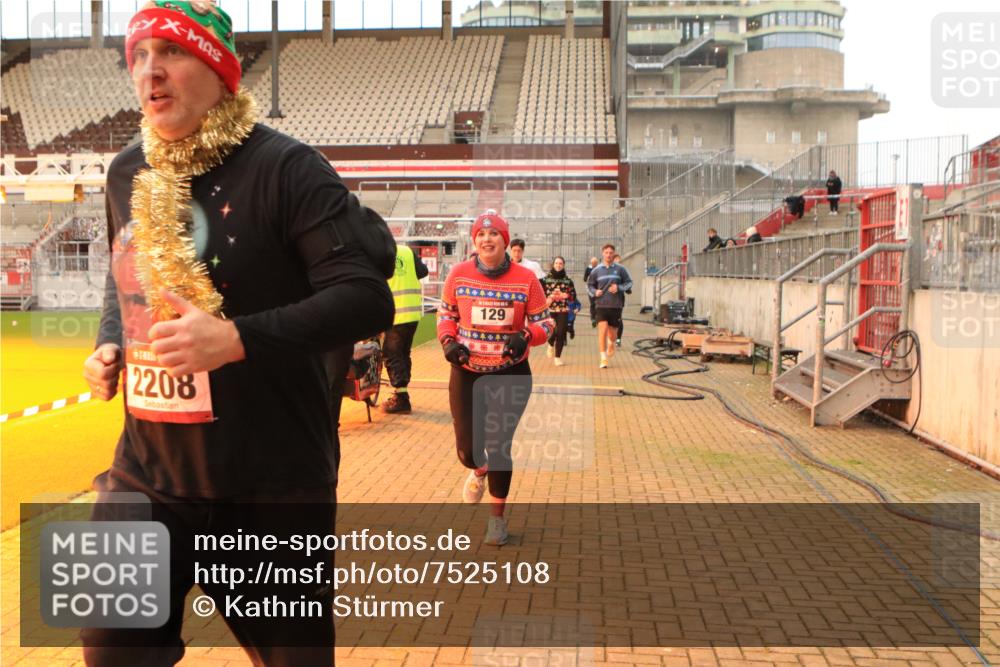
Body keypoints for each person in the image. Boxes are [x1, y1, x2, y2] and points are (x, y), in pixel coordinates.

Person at [80, 2, 394, 664]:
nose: (149, 71)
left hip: (271, 482)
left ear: (221, 71)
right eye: (138, 55)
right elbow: (125, 276)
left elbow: (365, 298)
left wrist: (236, 338)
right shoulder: (126, 171)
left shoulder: (288, 169)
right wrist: (112, 339)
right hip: (146, 473)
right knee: (108, 644)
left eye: (172, 52)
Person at [437, 211, 553, 546]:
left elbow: (547, 324)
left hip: (510, 373)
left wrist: (527, 336)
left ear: (505, 239)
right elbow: (446, 316)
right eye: (481, 235)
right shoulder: (458, 274)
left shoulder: (526, 279)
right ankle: (478, 469)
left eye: (494, 234)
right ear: (474, 241)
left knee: (499, 445)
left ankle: (496, 520)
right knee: (468, 451)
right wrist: (448, 342)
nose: (487, 239)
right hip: (468, 371)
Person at [382, 243, 430, 414]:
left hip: (395, 313)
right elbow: (423, 271)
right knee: (403, 353)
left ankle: (402, 399)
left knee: (391, 354)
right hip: (412, 312)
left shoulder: (378, 251)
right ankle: (402, 391)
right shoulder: (406, 250)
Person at [587, 244, 633, 369]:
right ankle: (603, 358)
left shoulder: (620, 269)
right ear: (603, 254)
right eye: (606, 252)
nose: (608, 255)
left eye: (611, 252)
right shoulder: (596, 270)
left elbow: (629, 283)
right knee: (602, 331)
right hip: (601, 305)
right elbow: (589, 285)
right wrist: (595, 292)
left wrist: (619, 288)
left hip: (616, 306)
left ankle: (611, 343)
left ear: (614, 254)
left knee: (612, 334)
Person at [540, 256, 576, 366]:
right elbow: (539, 294)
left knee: (561, 332)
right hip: (550, 309)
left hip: (563, 310)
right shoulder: (545, 280)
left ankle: (557, 357)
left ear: (563, 265)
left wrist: (566, 295)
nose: (558, 265)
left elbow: (573, 296)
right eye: (556, 263)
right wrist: (549, 297)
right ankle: (550, 344)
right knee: (552, 332)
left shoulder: (568, 280)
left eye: (560, 263)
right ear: (553, 264)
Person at [583, 256, 599, 327]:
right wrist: (588, 277)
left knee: (599, 304)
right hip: (590, 289)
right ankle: (593, 319)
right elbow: (584, 278)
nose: (594, 264)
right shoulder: (588, 269)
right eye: (593, 263)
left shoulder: (600, 268)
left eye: (595, 263)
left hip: (599, 289)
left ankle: (598, 318)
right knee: (592, 304)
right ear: (591, 263)